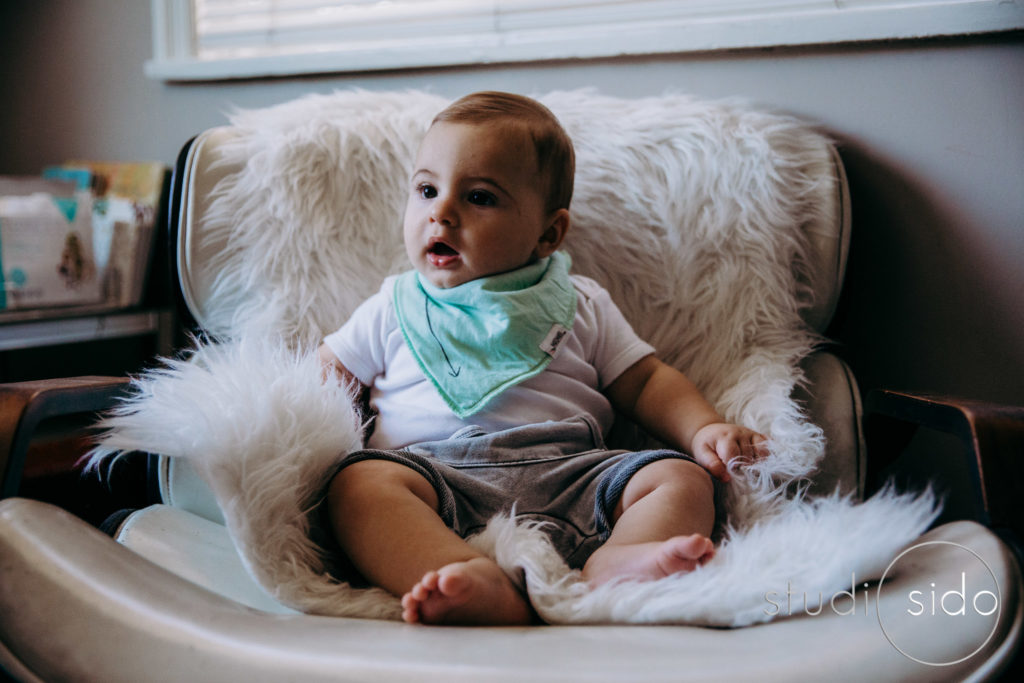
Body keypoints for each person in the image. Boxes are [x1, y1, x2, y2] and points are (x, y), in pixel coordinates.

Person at [318, 91, 768, 626]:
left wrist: (703, 429)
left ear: (548, 233)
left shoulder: (581, 302)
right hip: (436, 477)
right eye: (426, 190)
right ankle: (464, 574)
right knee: (359, 487)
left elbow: (645, 382)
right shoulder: (392, 306)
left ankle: (615, 562)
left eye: (480, 197)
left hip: (574, 474)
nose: (441, 212)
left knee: (681, 478)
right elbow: (325, 380)